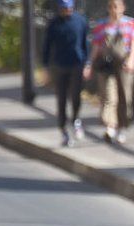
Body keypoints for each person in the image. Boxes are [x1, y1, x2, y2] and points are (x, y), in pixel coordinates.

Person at [86, 0, 134, 144]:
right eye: (111, 7)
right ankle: (110, 125)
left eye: (117, 6)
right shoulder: (102, 25)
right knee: (109, 96)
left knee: (124, 96)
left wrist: (132, 60)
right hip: (107, 65)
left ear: (123, 7)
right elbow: (96, 47)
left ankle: (122, 126)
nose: (114, 10)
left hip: (124, 64)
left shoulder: (130, 23)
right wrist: (89, 65)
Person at [42, 0, 89, 147]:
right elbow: (47, 46)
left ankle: (75, 119)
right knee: (61, 99)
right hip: (60, 66)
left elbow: (85, 43)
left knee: (75, 96)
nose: (66, 10)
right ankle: (63, 130)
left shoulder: (80, 21)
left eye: (68, 8)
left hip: (77, 64)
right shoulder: (54, 24)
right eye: (63, 8)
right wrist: (46, 68)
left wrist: (87, 63)